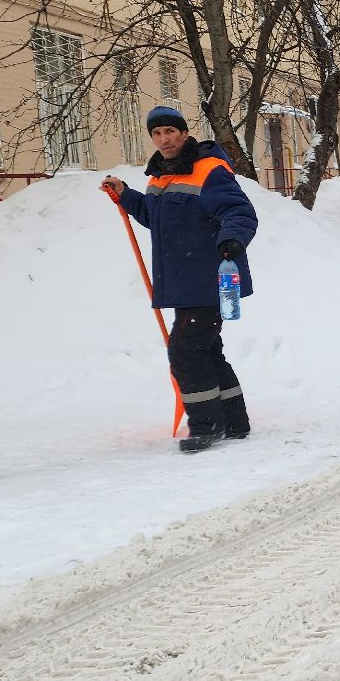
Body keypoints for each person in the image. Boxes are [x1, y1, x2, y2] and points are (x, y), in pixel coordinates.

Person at [103, 106, 258, 454]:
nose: (164, 139)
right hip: (184, 281)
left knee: (185, 350)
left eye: (170, 131)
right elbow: (154, 217)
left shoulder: (209, 170)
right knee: (206, 349)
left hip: (210, 276)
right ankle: (234, 422)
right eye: (157, 134)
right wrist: (126, 195)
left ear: (185, 134)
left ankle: (206, 425)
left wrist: (232, 239)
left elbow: (238, 211)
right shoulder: (160, 176)